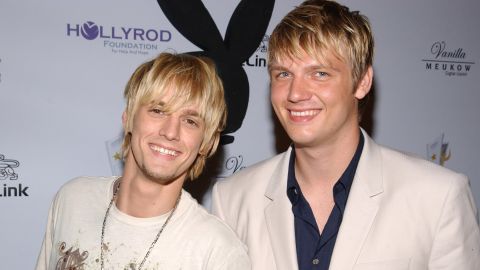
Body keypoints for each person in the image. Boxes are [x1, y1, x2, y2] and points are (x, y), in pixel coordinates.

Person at [211, 1, 480, 269]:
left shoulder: (437, 197)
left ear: (362, 81)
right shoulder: (234, 199)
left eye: (319, 73)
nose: (295, 93)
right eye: (283, 74)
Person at [36, 52, 251, 270]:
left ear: (206, 142)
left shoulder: (219, 253)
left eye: (189, 121)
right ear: (128, 118)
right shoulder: (73, 200)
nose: (170, 132)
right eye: (158, 111)